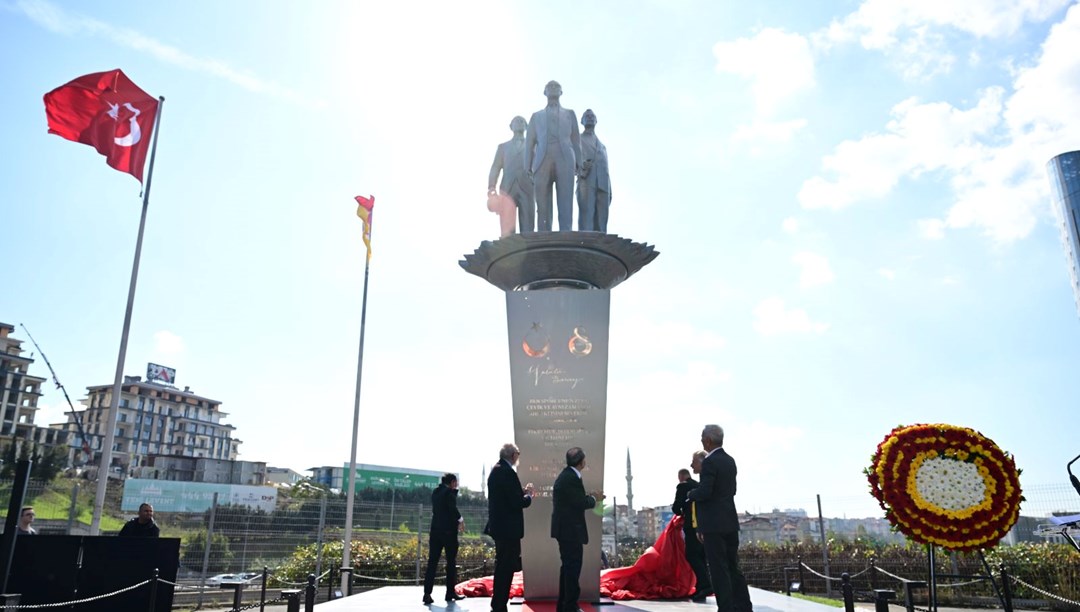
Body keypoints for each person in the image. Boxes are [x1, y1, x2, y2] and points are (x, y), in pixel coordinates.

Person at [687, 426, 752, 612]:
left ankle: (726, 608)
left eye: (701, 438)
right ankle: (744, 606)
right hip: (730, 521)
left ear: (708, 440)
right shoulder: (730, 460)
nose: (700, 441)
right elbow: (731, 490)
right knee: (733, 567)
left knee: (718, 570)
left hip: (713, 525)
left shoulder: (709, 461)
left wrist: (692, 494)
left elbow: (706, 491)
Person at [551, 447, 603, 612]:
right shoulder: (571, 478)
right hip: (570, 532)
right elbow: (580, 502)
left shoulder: (567, 476)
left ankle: (565, 605)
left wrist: (591, 497)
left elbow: (574, 500)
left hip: (566, 531)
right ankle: (570, 606)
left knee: (568, 568)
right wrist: (595, 498)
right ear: (582, 461)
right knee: (572, 568)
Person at [525, 80, 582, 231]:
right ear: (545, 92)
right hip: (542, 158)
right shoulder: (536, 116)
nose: (553, 88)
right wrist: (527, 166)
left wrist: (580, 163)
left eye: (557, 86)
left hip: (565, 157)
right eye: (550, 86)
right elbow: (529, 142)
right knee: (542, 200)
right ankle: (544, 233)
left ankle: (566, 231)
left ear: (561, 92)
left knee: (565, 197)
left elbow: (576, 140)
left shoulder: (570, 114)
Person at [486, 443, 534, 612]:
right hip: (508, 530)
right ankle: (499, 604)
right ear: (513, 455)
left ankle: (498, 603)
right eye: (518, 453)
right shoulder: (507, 473)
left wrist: (520, 492)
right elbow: (516, 502)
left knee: (503, 567)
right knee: (506, 569)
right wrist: (528, 496)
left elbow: (506, 496)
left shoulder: (497, 470)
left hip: (500, 528)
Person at [488, 116, 536, 235]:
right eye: (516, 121)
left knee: (528, 226)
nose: (519, 123)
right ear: (511, 126)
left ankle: (529, 249)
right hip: (507, 188)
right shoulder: (503, 147)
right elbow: (495, 167)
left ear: (526, 126)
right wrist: (491, 186)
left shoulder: (534, 147)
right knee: (507, 228)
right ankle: (508, 248)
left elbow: (540, 168)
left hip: (528, 187)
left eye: (522, 121)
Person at [424, 473, 466, 605]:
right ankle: (450, 593)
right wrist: (461, 520)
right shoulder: (449, 493)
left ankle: (427, 593)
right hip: (449, 533)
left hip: (435, 531)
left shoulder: (435, 492)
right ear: (452, 482)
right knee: (451, 563)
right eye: (456, 482)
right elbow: (452, 509)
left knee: (432, 562)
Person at [674, 456, 712, 602]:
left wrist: (681, 509)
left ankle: (705, 585)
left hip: (692, 526)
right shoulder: (699, 485)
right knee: (701, 556)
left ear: (681, 477)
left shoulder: (683, 487)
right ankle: (701, 586)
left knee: (691, 555)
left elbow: (676, 508)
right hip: (704, 526)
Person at [576, 109, 611, 232]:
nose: (590, 118)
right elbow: (568, 160)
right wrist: (580, 166)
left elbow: (606, 169)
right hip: (586, 181)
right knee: (587, 216)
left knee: (602, 219)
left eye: (592, 116)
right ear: (581, 121)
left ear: (596, 120)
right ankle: (585, 245)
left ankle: (601, 244)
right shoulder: (577, 140)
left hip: (603, 184)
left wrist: (610, 190)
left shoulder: (602, 146)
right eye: (587, 116)